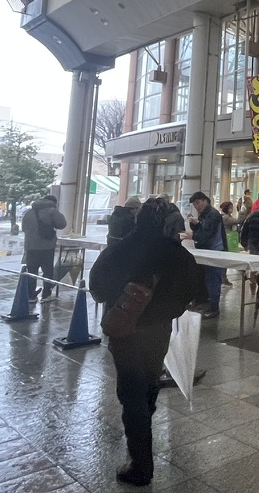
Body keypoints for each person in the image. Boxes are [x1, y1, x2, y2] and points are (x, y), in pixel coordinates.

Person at [88, 197, 201, 487]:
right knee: (148, 383)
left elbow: (97, 287)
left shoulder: (122, 248)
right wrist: (165, 310)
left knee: (131, 392)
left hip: (125, 330)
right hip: (157, 331)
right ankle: (144, 423)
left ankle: (140, 464)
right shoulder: (178, 255)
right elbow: (195, 294)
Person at [21, 194, 67, 303]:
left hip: (31, 247)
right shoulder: (52, 211)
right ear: (54, 203)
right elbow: (62, 224)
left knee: (32, 272)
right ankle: (46, 295)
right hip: (46, 247)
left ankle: (31, 296)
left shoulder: (29, 213)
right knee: (47, 272)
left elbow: (24, 229)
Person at [188, 191, 225, 318]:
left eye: (198, 203)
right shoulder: (205, 214)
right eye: (194, 205)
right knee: (208, 279)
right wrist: (195, 224)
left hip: (215, 251)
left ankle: (214, 308)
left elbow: (207, 234)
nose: (197, 206)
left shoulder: (212, 214)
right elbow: (203, 229)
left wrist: (193, 235)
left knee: (213, 279)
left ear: (205, 200)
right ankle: (209, 304)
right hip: (208, 251)